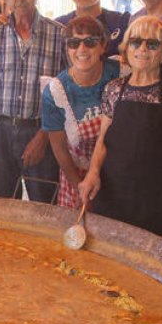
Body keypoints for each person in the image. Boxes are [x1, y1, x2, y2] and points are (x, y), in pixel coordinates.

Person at [80, 16, 162, 240]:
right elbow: (102, 140)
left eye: (152, 44)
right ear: (126, 48)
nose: (142, 49)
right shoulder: (113, 90)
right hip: (113, 194)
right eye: (136, 42)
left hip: (156, 201)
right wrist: (92, 173)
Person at [0, 0, 66, 202]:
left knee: (44, 204)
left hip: (41, 130)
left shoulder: (59, 34)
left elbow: (65, 93)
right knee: (4, 205)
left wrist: (43, 135)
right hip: (1, 130)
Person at [41, 15, 121, 209]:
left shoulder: (121, 72)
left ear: (103, 46)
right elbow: (59, 148)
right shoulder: (55, 91)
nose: (82, 49)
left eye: (90, 42)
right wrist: (79, 187)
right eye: (74, 43)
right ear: (67, 49)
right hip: (78, 176)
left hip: (119, 174)